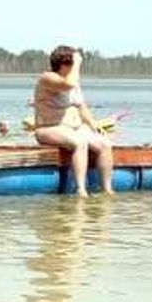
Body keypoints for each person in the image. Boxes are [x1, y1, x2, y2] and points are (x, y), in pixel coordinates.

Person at [31, 45, 114, 197]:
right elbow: (67, 85)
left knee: (104, 144)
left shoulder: (74, 82)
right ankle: (81, 190)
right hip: (49, 128)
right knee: (79, 142)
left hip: (75, 127)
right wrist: (77, 62)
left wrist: (93, 124)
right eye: (72, 63)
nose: (76, 67)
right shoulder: (47, 78)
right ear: (64, 64)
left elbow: (82, 107)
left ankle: (107, 189)